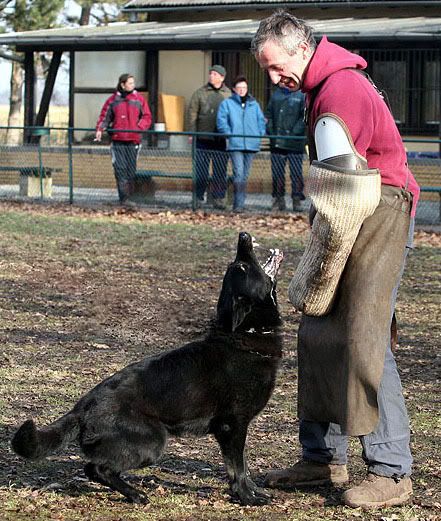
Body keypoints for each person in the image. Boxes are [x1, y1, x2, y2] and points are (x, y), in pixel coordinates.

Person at [252, 10, 420, 509]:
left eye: (276, 66)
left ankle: (391, 470)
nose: (274, 78)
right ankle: (322, 458)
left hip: (378, 209)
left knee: (364, 335)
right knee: (319, 328)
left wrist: (327, 242)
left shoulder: (341, 89)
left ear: (301, 49)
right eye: (266, 69)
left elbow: (347, 177)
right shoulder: (322, 87)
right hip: (350, 208)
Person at [95, 73, 152, 205]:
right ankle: (124, 199)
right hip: (118, 140)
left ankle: (128, 198)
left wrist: (139, 128)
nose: (133, 85)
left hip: (133, 140)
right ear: (123, 84)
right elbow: (105, 117)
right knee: (120, 170)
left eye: (133, 83)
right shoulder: (113, 100)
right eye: (130, 83)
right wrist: (99, 129)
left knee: (130, 171)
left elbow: (147, 117)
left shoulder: (139, 100)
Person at [217, 76, 266, 213]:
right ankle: (238, 204)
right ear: (234, 89)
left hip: (251, 143)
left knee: (245, 174)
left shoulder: (254, 104)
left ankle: (241, 203)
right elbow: (222, 121)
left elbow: (261, 121)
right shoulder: (227, 104)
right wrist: (229, 134)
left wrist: (259, 133)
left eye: (244, 88)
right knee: (238, 173)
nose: (242, 90)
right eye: (239, 88)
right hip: (235, 143)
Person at [187, 65, 231, 209]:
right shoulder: (200, 93)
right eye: (210, 73)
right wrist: (192, 134)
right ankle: (198, 198)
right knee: (200, 171)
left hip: (221, 140)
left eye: (215, 74)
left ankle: (219, 199)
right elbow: (192, 115)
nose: (211, 76)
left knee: (220, 172)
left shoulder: (228, 94)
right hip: (202, 140)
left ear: (222, 77)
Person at [266, 85, 306, 211]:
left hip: (295, 143)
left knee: (296, 173)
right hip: (277, 143)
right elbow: (269, 115)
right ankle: (278, 199)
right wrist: (272, 132)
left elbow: (303, 117)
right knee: (277, 173)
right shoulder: (275, 95)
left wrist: (294, 133)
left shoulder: (301, 95)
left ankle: (297, 199)